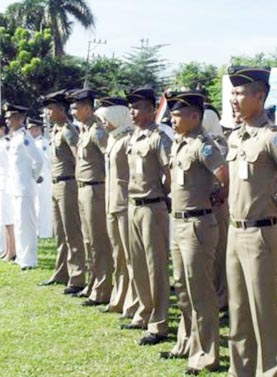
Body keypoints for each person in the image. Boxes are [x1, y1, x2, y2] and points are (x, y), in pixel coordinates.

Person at [226, 65, 277, 376]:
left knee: (265, 311)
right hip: (235, 232)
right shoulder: (236, 138)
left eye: (240, 93)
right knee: (239, 309)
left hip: (261, 234)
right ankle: (241, 370)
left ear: (259, 96)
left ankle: (271, 371)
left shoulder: (272, 139)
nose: (234, 99)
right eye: (232, 93)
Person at [156, 90, 229, 375]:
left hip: (198, 224)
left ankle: (207, 353)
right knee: (183, 289)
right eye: (171, 114)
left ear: (195, 117)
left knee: (201, 292)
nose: (172, 119)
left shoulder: (203, 145)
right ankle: (185, 343)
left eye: (177, 114)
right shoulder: (180, 144)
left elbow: (224, 174)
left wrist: (218, 196)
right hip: (179, 222)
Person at [122, 86, 173, 346]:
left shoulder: (158, 137)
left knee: (156, 267)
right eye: (131, 107)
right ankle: (143, 312)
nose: (133, 111)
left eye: (138, 106)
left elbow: (171, 173)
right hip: (133, 205)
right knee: (138, 264)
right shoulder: (134, 136)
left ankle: (159, 322)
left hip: (153, 207)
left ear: (152, 109)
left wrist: (162, 196)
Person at [38, 89, 87, 294]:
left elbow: (79, 158)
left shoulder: (68, 130)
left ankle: (77, 277)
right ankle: (61, 271)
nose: (47, 114)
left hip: (68, 184)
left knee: (72, 232)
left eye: (50, 109)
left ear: (60, 109)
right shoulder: (56, 131)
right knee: (59, 231)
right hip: (56, 184)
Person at [67, 88, 113, 306]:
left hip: (96, 190)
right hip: (83, 188)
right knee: (87, 239)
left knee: (98, 241)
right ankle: (93, 282)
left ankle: (103, 288)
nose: (73, 111)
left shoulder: (97, 131)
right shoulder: (84, 130)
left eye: (77, 107)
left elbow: (110, 156)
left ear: (88, 108)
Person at [94, 96, 138, 317]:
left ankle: (135, 302)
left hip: (125, 203)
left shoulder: (128, 139)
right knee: (118, 255)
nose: (103, 124)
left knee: (131, 257)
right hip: (112, 202)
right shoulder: (113, 139)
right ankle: (119, 298)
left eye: (106, 119)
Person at [5, 103, 44, 270]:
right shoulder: (15, 138)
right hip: (16, 187)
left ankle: (29, 259)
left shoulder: (25, 138)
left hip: (25, 187)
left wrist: (34, 177)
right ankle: (22, 256)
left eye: (10, 118)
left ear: (20, 119)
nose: (7, 121)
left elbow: (38, 160)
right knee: (19, 223)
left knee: (27, 224)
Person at [203, 102, 230, 311]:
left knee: (219, 253)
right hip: (201, 205)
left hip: (217, 204)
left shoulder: (218, 143)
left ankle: (221, 296)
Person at [0, 115, 16, 261]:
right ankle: (8, 248)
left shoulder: (7, 143)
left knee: (8, 218)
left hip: (6, 184)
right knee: (4, 218)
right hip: (0, 183)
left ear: (2, 128)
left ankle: (12, 250)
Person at [27, 117, 54, 239]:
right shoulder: (33, 143)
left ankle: (44, 232)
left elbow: (44, 161)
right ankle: (38, 230)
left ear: (37, 129)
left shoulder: (42, 143)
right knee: (37, 204)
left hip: (43, 178)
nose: (29, 132)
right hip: (37, 178)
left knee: (44, 206)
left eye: (31, 129)